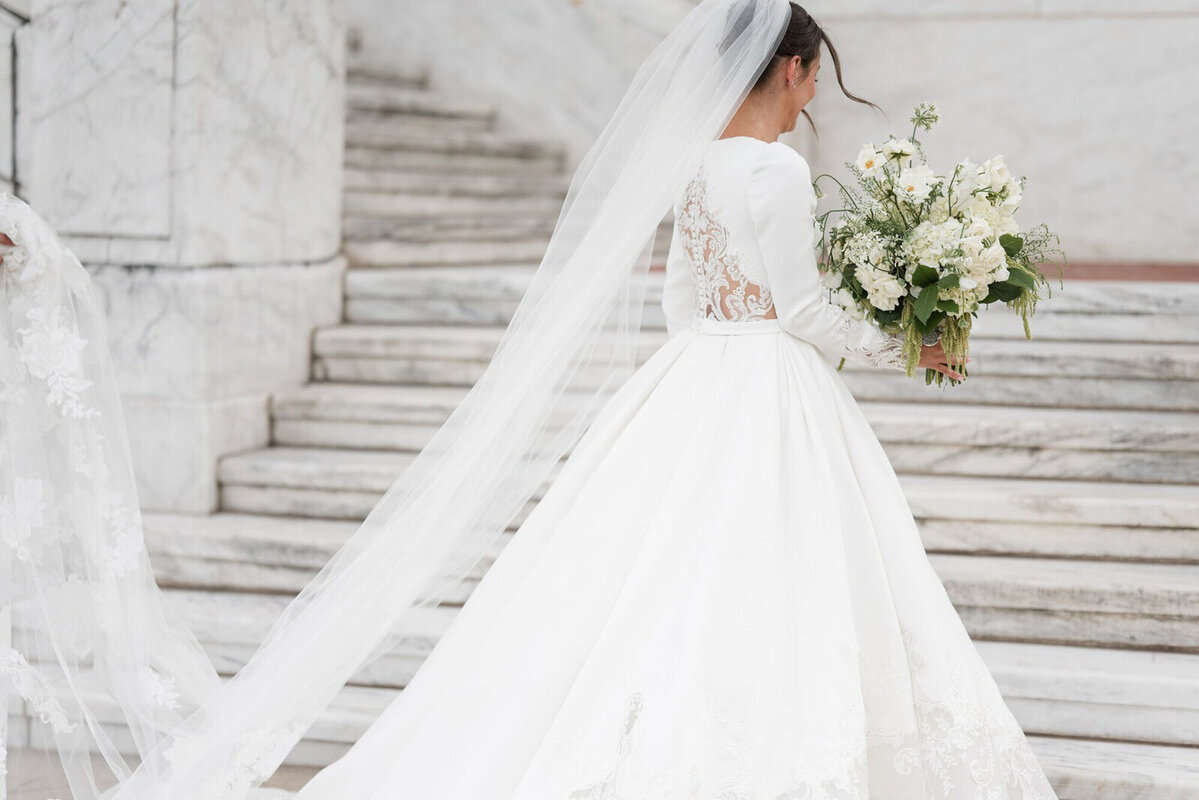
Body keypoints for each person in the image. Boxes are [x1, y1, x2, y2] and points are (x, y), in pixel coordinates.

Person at [0, 1, 1057, 797]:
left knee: (646, 583)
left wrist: (709, 371)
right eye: (810, 75)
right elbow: (804, 312)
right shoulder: (773, 175)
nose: (812, 94)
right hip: (767, 388)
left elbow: (682, 302)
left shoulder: (691, 168)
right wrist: (911, 341)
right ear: (787, 68)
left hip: (691, 382)